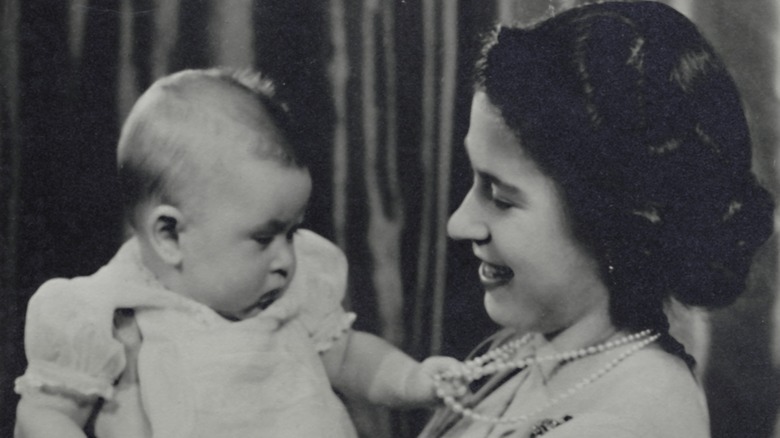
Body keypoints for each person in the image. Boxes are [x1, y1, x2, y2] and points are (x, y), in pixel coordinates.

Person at [14, 68, 456, 438]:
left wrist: (412, 379)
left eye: (292, 232)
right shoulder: (107, 313)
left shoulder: (295, 289)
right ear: (169, 236)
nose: (286, 259)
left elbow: (347, 356)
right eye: (264, 238)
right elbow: (43, 415)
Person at [420, 1, 775, 437]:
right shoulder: (530, 344)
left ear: (613, 221)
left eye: (500, 197)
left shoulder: (623, 424)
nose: (459, 223)